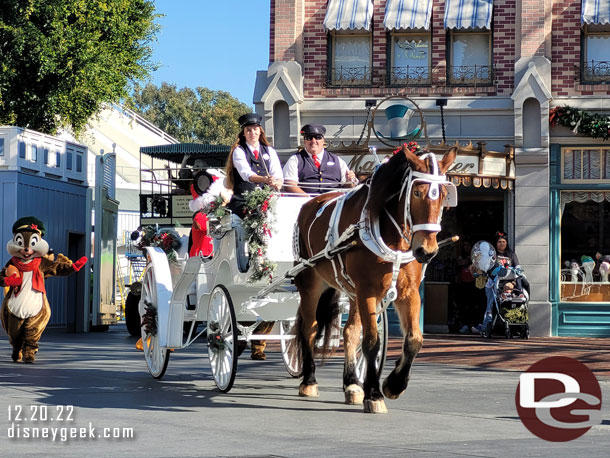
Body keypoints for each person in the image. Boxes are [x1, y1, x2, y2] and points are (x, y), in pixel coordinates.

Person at [224, 113, 283, 360]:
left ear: (260, 131)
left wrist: (277, 182)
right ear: (243, 132)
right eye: (248, 129)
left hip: (268, 204)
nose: (252, 133)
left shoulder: (270, 152)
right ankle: (244, 265)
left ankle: (273, 264)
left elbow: (278, 173)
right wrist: (265, 179)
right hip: (244, 204)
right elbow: (246, 174)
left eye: (255, 129)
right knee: (242, 234)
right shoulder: (239, 152)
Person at [471, 231, 522, 337]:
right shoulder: (492, 255)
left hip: (508, 282)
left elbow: (517, 267)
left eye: (504, 241)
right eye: (499, 242)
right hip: (493, 282)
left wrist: (517, 273)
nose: (502, 244)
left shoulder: (511, 254)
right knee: (490, 304)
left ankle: (515, 326)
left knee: (512, 301)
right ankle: (486, 326)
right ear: (496, 243)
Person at [282, 124, 357, 194]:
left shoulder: (337, 160)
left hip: (333, 203)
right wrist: (308, 199)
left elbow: (347, 187)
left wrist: (349, 181)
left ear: (323, 141)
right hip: (306, 204)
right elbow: (290, 185)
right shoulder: (295, 160)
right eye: (309, 138)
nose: (313, 141)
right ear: (304, 141)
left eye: (318, 137)